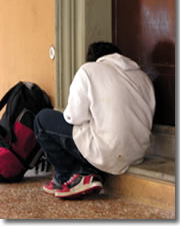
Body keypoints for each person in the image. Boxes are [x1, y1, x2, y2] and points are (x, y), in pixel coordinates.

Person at [34, 42, 156, 199]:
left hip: (107, 151)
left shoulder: (88, 70)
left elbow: (73, 117)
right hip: (136, 154)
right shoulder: (143, 77)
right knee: (92, 132)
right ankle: (86, 172)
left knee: (42, 120)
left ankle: (67, 175)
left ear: (93, 60)